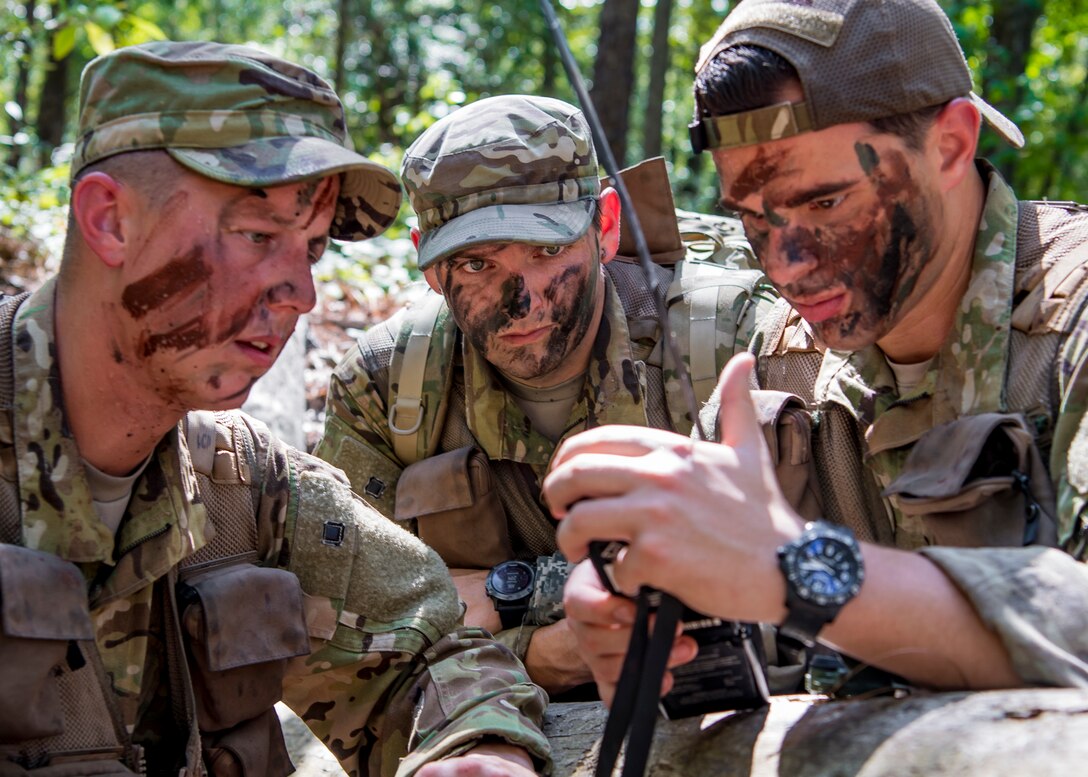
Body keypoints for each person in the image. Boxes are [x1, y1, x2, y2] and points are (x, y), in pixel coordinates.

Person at [0, 41, 551, 777]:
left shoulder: (241, 483)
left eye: (312, 248)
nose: (301, 292)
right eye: (258, 235)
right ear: (110, 220)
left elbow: (435, 646)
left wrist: (479, 751)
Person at [545, 0, 1088, 707]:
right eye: (751, 216)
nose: (787, 265)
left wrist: (797, 571)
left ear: (951, 145)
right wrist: (628, 598)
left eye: (827, 204)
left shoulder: (1070, 322)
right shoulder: (782, 362)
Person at [314, 94, 774, 696]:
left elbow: (811, 571)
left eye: (547, 252)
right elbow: (342, 635)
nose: (523, 303)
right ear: (429, 266)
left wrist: (509, 595)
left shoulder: (739, 342)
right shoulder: (383, 385)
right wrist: (538, 654)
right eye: (478, 265)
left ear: (604, 228)